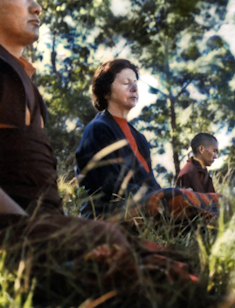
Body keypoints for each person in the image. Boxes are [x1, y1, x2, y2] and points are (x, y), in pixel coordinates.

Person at [0, 0, 205, 308]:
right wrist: (58, 235)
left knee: (170, 265)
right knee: (123, 257)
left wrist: (61, 230)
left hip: (35, 230)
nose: (36, 6)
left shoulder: (26, 87)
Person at [75, 59, 221, 226]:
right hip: (106, 214)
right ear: (106, 91)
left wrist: (172, 193)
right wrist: (168, 195)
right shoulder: (98, 129)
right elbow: (112, 187)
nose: (134, 88)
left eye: (135, 83)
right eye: (125, 83)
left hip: (146, 206)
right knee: (178, 200)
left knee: (219, 201)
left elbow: (150, 184)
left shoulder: (139, 139)